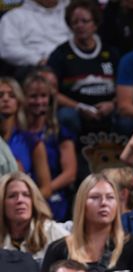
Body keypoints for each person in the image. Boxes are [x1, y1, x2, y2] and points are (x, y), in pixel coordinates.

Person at [47, 0, 119, 136]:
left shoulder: (111, 53)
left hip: (108, 108)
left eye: (85, 21)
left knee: (125, 119)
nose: (80, 26)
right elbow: (51, 91)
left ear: (95, 24)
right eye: (75, 22)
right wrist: (79, 107)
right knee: (66, 116)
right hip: (75, 109)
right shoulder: (60, 54)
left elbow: (124, 87)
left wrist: (112, 104)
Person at [23, 73, 77, 222]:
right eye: (33, 96)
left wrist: (40, 194)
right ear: (23, 99)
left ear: (50, 99)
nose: (39, 101)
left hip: (53, 194)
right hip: (21, 194)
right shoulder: (17, 134)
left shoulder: (60, 133)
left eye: (43, 96)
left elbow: (70, 173)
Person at [0, 171, 68, 261]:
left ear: (34, 201)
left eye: (26, 195)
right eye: (12, 196)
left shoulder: (53, 232)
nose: (20, 200)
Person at [0, 0, 71, 70]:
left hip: (73, 61)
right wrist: (37, 60)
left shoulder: (72, 11)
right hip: (38, 67)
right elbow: (8, 49)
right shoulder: (14, 16)